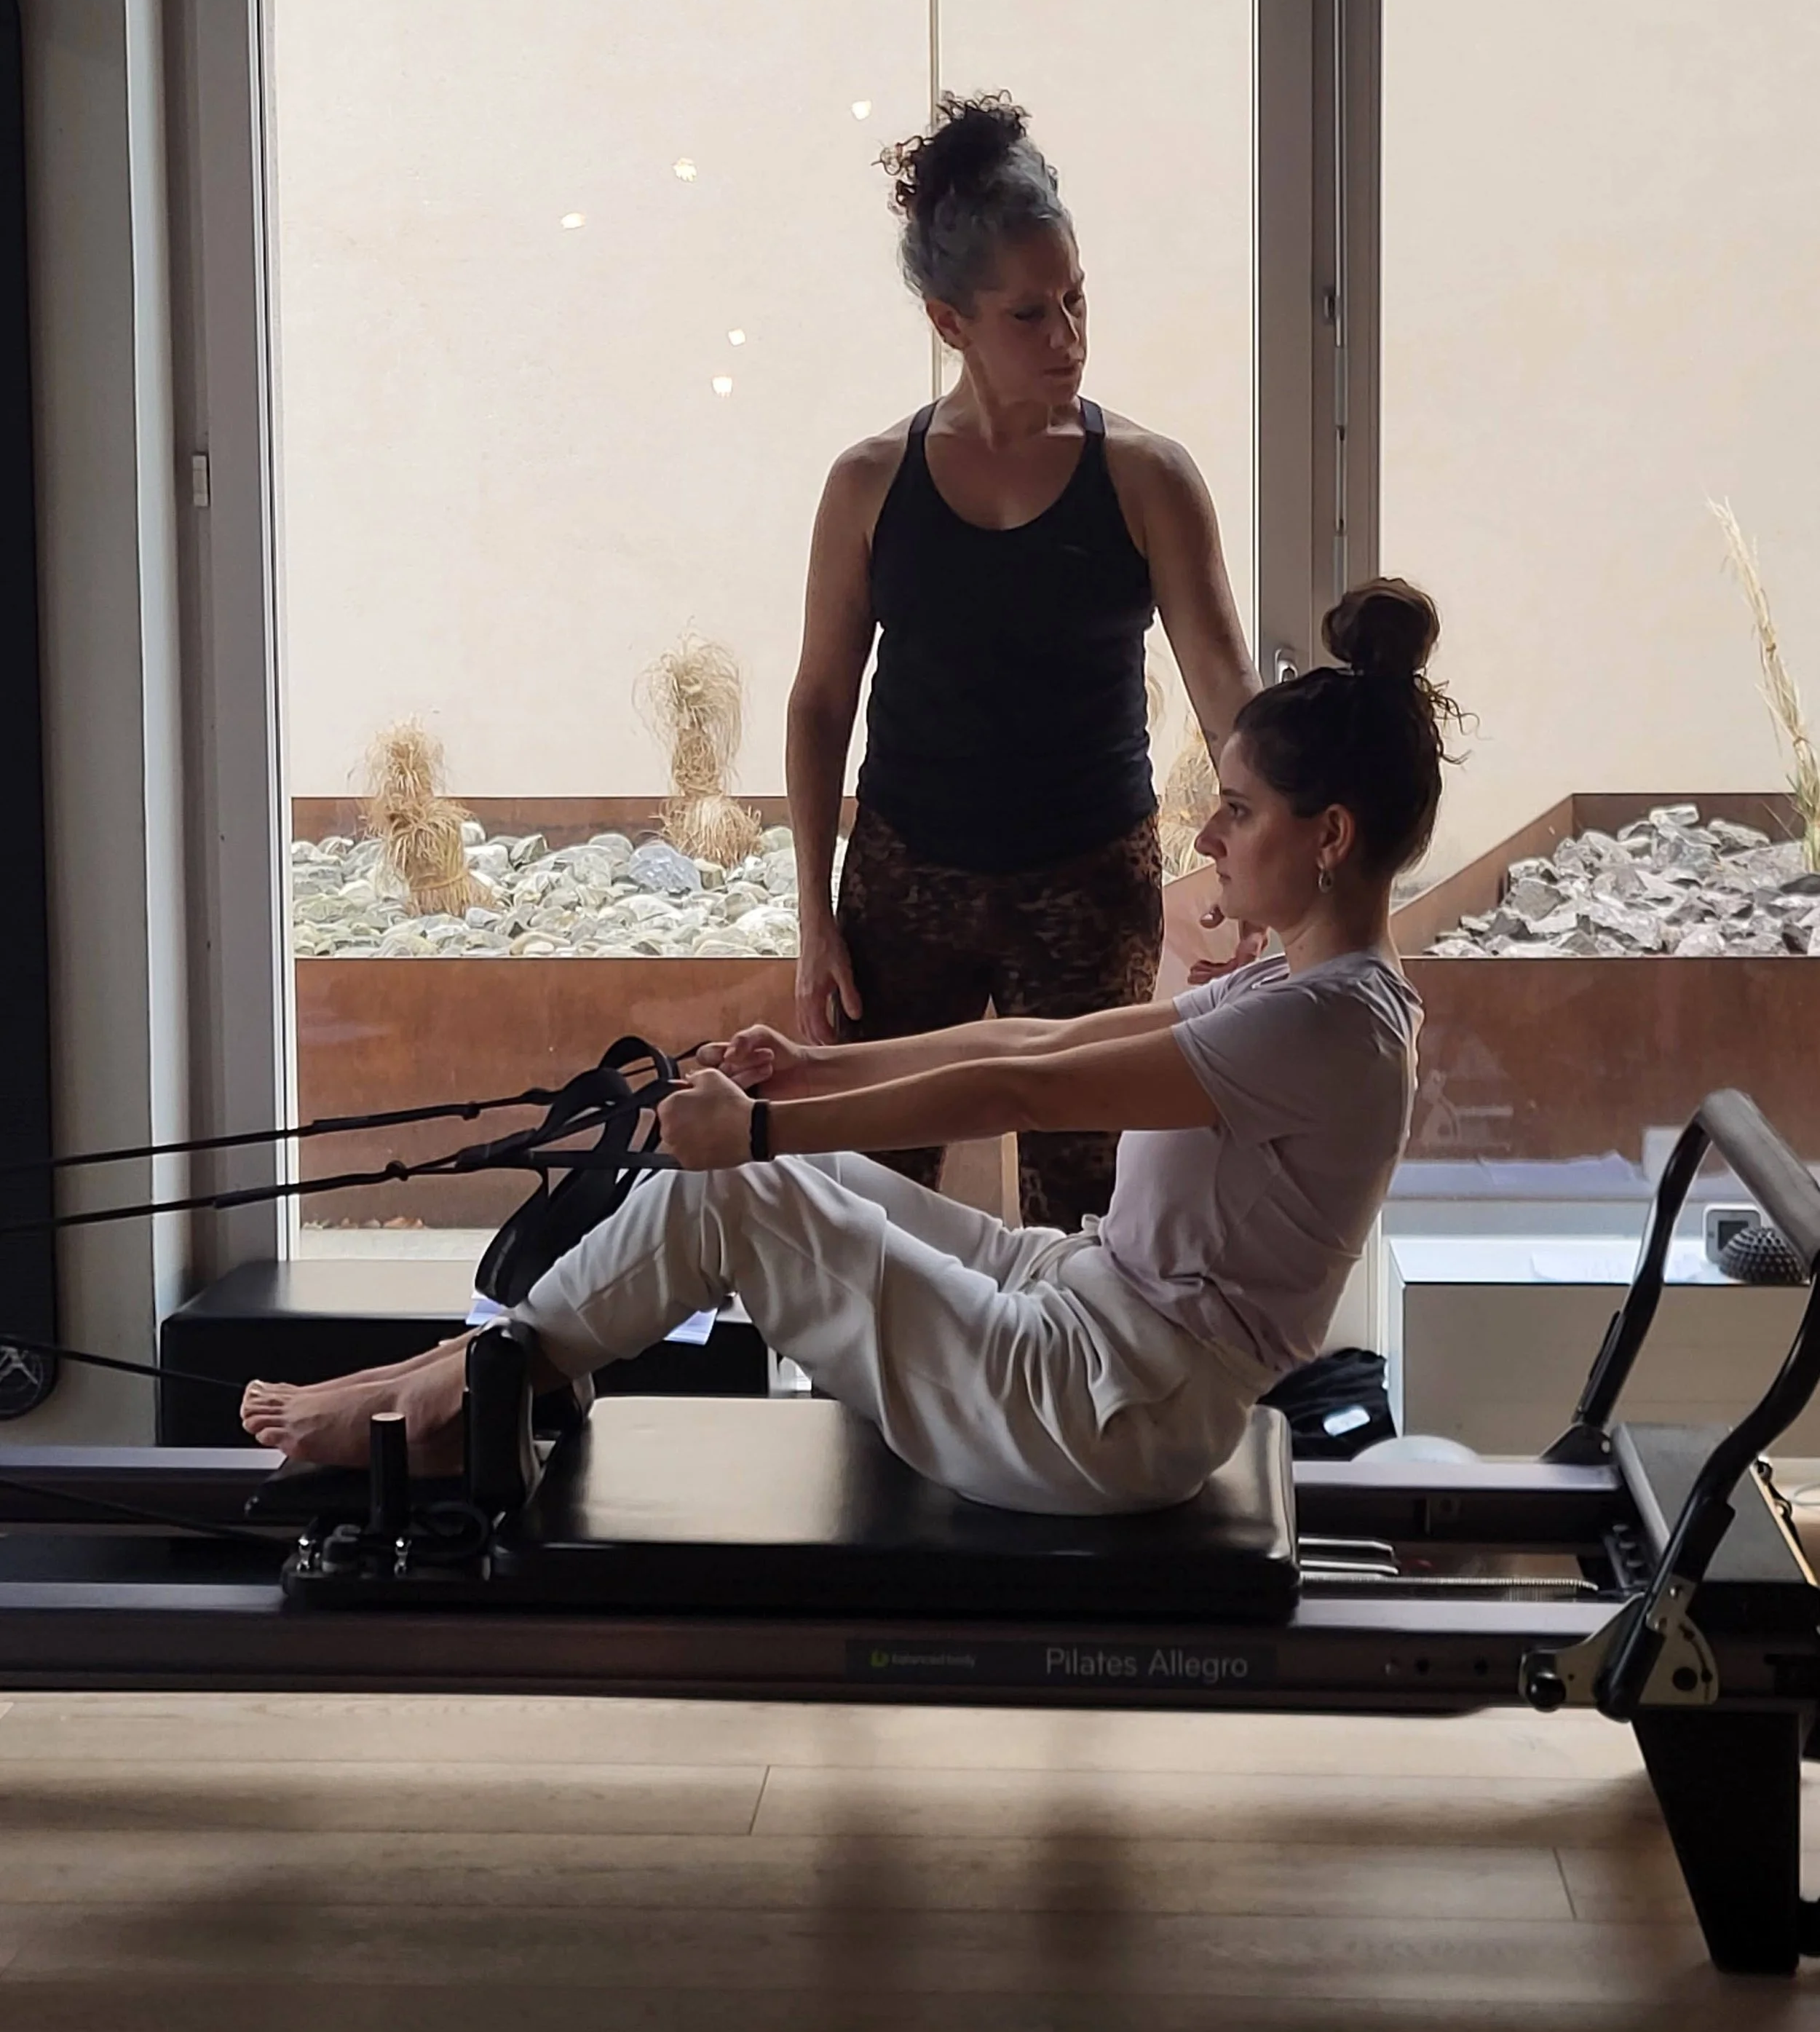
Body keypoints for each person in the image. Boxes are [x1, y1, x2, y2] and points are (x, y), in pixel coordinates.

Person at [243, 582, 1449, 1519]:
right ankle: (467, 1370)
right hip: (1090, 1316)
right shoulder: (1315, 993)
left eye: (1237, 809)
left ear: (1330, 835)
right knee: (785, 1179)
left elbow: (1022, 1088)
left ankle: (447, 1396)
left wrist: (762, 1130)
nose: (1208, 832)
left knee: (741, 1194)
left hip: (1104, 1410)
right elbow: (1034, 1033)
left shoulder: (1324, 1025)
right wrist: (814, 1072)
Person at [786, 92, 1259, 1229]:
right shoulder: (869, 483)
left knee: (1092, 1209)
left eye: (1077, 300)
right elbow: (818, 703)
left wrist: (1259, 878)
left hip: (1089, 884)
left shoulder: (1149, 478)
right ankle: (880, 1414)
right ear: (951, 324)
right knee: (874, 1209)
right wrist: (813, 915)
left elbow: (1229, 699)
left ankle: (1073, 1410)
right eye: (1029, 315)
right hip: (907, 884)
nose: (1068, 337)